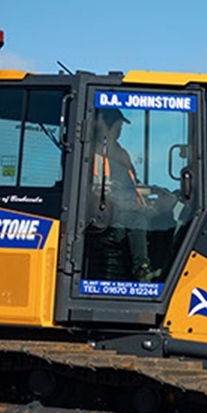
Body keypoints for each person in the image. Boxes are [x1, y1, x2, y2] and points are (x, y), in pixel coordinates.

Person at [89, 108, 161, 282]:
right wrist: (141, 208)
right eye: (118, 127)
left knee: (164, 217)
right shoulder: (91, 153)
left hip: (122, 205)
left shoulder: (121, 154)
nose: (120, 131)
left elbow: (133, 183)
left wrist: (155, 192)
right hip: (104, 210)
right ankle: (142, 270)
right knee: (139, 219)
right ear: (105, 127)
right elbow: (95, 190)